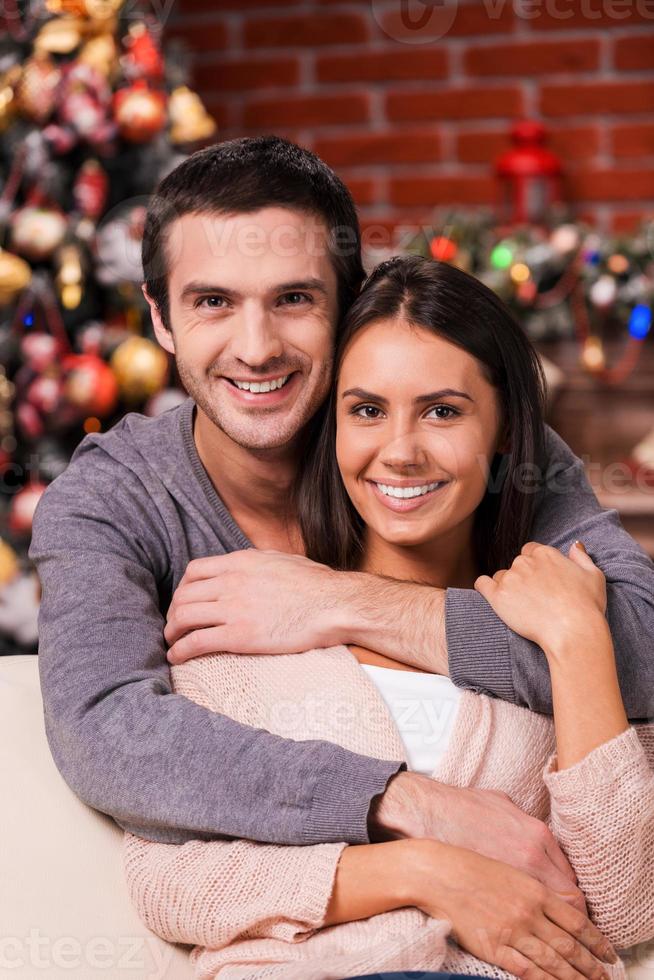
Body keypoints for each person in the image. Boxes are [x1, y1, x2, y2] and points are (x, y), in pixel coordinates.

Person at [29, 137, 654, 884]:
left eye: (294, 299)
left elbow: (640, 651)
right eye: (213, 302)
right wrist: (407, 806)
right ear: (161, 319)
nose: (256, 349)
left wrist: (345, 602)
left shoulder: (453, 443)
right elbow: (109, 732)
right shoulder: (113, 500)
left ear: (346, 301)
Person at [122, 256, 654, 980]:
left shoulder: (549, 632)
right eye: (366, 410)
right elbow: (171, 884)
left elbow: (627, 910)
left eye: (442, 410)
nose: (399, 453)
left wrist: (576, 638)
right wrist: (423, 871)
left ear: (503, 433)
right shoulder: (246, 629)